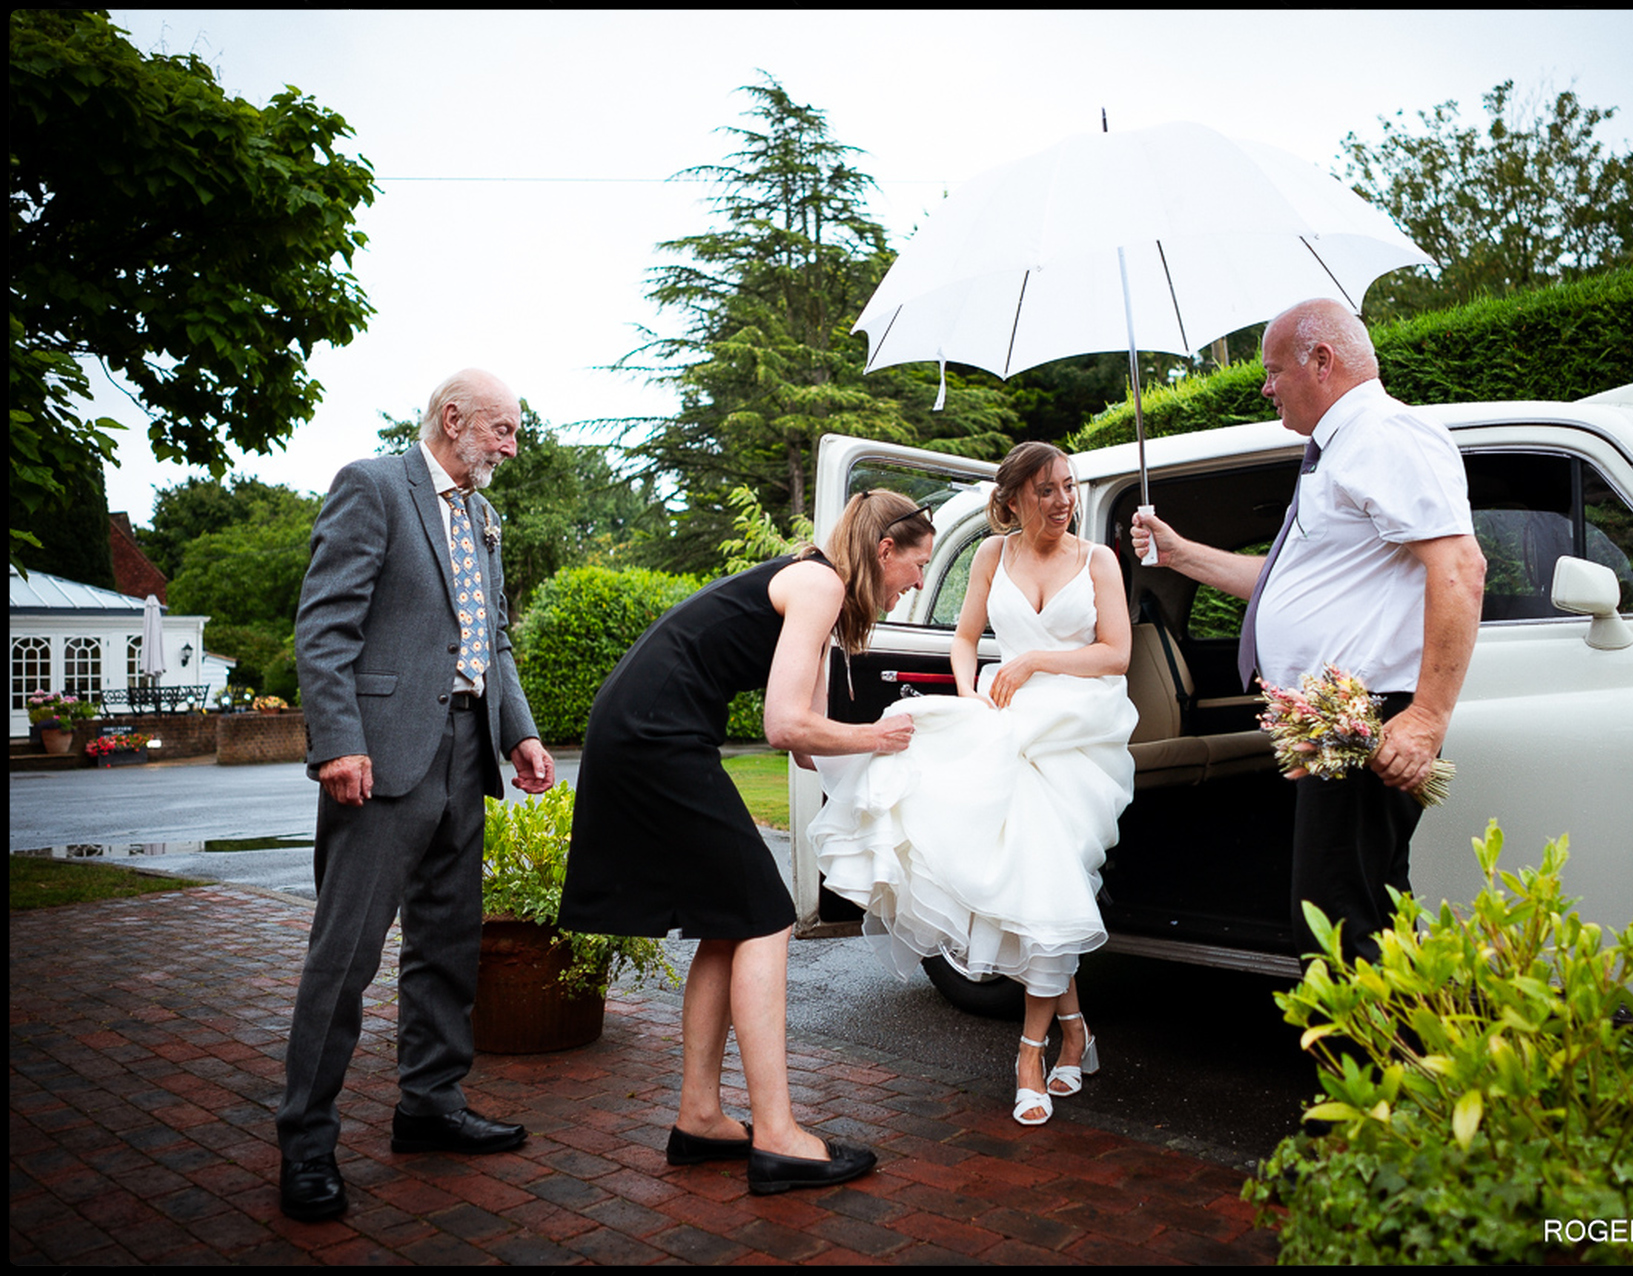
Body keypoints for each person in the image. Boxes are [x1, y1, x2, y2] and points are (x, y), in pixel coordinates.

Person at [556, 490, 931, 1195]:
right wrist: (878, 735)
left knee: (732, 924)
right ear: (886, 552)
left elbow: (808, 749)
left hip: (645, 728)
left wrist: (910, 762)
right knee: (767, 916)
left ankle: (700, 1117)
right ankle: (781, 1138)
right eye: (917, 566)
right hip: (654, 735)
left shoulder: (816, 586)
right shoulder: (819, 582)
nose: (917, 583)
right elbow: (785, 724)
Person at [278, 368, 557, 1222]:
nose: (511, 447)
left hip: (465, 751)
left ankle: (429, 1106)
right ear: (454, 418)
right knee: (345, 956)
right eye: (504, 431)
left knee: (446, 944)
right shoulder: (373, 487)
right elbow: (325, 626)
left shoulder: (482, 515)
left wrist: (520, 730)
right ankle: (305, 1145)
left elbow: (491, 637)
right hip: (380, 760)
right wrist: (339, 743)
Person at [1131, 299, 1485, 966]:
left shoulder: (1386, 434)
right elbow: (1281, 581)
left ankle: (1369, 1068)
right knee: (1356, 913)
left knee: (1339, 927)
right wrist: (1179, 555)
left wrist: (1424, 722)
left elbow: (1461, 568)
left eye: (1271, 371)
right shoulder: (1341, 449)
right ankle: (1393, 1063)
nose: (1264, 387)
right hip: (1328, 720)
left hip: (1367, 714)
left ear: (1321, 361)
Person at [811, 443, 1136, 1127]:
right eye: (1045, 490)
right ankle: (1056, 1040)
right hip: (1007, 719)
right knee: (1028, 881)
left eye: (1068, 488)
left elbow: (1117, 652)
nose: (1061, 501)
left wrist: (1040, 658)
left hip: (1081, 729)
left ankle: (1046, 1044)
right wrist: (969, 694)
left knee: (1044, 875)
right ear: (1013, 496)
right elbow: (964, 640)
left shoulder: (1098, 560)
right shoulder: (990, 555)